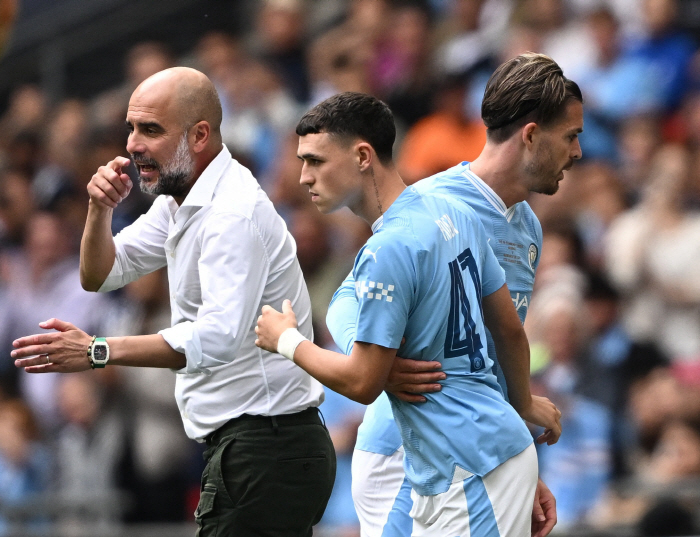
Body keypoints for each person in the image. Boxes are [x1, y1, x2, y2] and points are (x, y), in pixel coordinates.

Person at [11, 67, 335, 537]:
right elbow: (100, 274)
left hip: (267, 447)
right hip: (257, 449)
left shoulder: (232, 213)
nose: (132, 145)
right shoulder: (181, 199)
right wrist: (99, 210)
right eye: (131, 128)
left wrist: (97, 351)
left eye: (150, 130)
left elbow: (216, 339)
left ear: (199, 135)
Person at [255, 91, 562, 536]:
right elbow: (509, 331)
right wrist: (522, 405)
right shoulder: (451, 211)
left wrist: (286, 340)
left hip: (470, 464)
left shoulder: (389, 247)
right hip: (471, 456)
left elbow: (362, 383)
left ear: (363, 156)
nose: (304, 177)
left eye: (316, 161)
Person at [327, 52, 584, 537]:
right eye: (571, 136)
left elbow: (491, 356)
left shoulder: (528, 228)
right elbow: (345, 300)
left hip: (472, 454)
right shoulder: (432, 204)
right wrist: (378, 365)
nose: (577, 152)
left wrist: (509, 467)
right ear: (531, 135)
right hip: (404, 452)